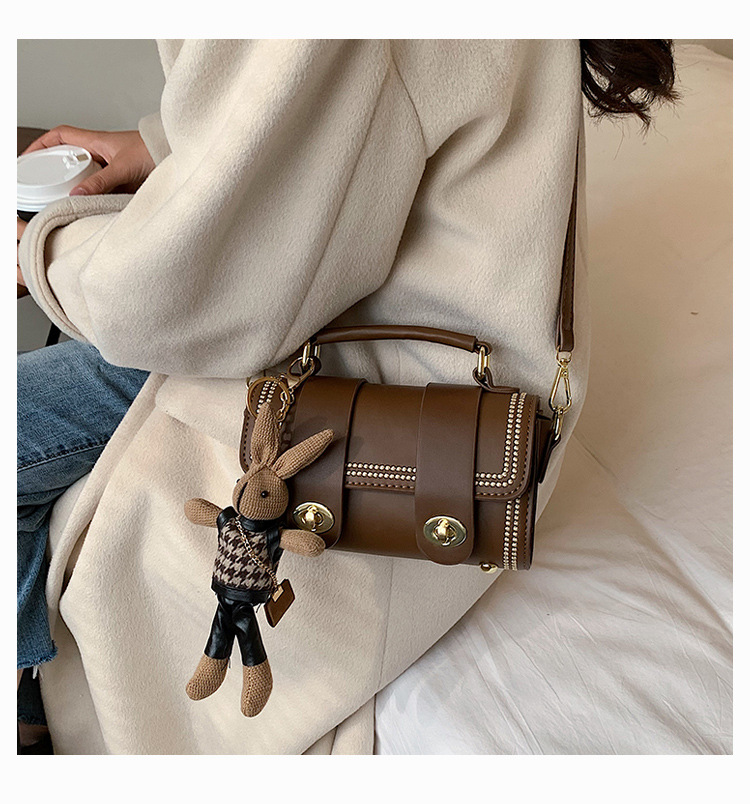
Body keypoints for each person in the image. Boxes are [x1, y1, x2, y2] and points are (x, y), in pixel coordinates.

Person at [17, 39, 677, 754]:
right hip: (454, 373)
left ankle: (26, 715)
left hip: (335, 368)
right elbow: (343, 110)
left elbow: (179, 303)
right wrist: (164, 145)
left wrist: (41, 249)